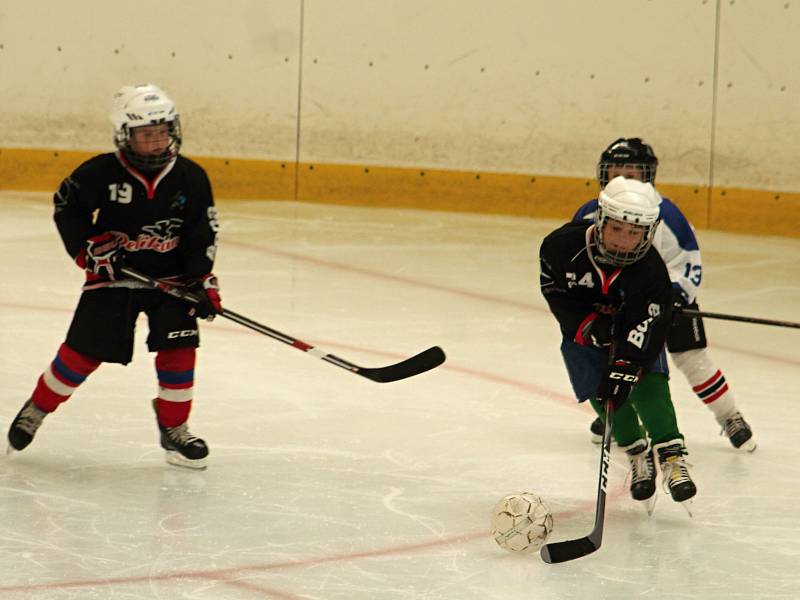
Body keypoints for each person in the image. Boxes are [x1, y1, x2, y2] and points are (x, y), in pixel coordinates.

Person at [6, 83, 221, 469]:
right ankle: (37, 408)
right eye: (145, 135)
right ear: (126, 135)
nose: (156, 143)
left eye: (162, 133)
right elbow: (67, 208)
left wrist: (201, 280)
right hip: (114, 276)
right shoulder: (100, 173)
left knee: (179, 351)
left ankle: (175, 428)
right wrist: (88, 248)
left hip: (172, 282)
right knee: (81, 355)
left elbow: (201, 233)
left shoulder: (191, 177)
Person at [574, 138, 756, 452]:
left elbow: (687, 261)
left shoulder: (664, 213)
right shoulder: (594, 212)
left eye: (631, 174)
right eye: (616, 174)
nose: (623, 181)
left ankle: (730, 416)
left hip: (668, 301)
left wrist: (673, 297)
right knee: (618, 360)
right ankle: (616, 415)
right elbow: (576, 257)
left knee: (692, 358)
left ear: (647, 176)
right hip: (620, 306)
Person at [540, 176, 697, 508]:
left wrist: (627, 362)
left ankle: (671, 454)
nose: (624, 241)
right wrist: (588, 325)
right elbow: (556, 294)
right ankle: (637, 452)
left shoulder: (651, 270)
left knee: (649, 383)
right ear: (600, 221)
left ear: (647, 232)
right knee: (601, 393)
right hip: (584, 335)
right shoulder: (560, 247)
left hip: (633, 330)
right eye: (617, 229)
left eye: (634, 232)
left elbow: (648, 322)